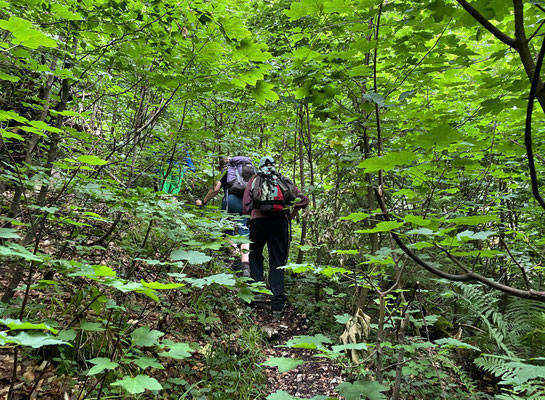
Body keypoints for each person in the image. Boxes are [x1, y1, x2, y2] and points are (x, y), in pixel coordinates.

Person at [242, 156, 309, 317]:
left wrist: (254, 212)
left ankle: (258, 292)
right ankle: (277, 306)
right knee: (278, 263)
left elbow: (245, 206)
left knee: (255, 255)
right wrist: (291, 213)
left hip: (258, 222)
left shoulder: (255, 179)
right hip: (280, 222)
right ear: (273, 166)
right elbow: (304, 200)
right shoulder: (282, 179)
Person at [199, 156, 252, 277]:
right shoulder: (247, 174)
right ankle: (245, 265)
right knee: (244, 231)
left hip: (231, 202)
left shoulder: (228, 173)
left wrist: (203, 202)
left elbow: (216, 189)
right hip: (246, 203)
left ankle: (235, 254)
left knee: (226, 231)